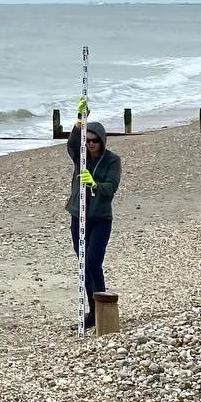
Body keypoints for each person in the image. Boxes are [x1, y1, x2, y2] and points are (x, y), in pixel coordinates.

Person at [66, 116, 121, 327]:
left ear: (102, 141)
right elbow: (72, 145)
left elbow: (111, 188)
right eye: (87, 140)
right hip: (78, 217)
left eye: (94, 141)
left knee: (92, 262)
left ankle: (102, 307)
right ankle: (92, 311)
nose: (89, 144)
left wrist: (94, 184)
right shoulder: (81, 157)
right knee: (83, 264)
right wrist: (79, 123)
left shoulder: (112, 160)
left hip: (100, 220)